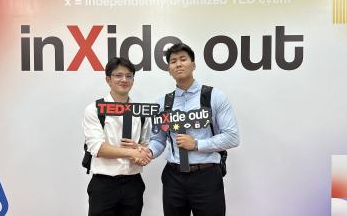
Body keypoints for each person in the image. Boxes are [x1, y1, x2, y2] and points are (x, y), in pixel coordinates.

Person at [148, 43, 240, 216]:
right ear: (169, 69)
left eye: (183, 59)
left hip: (206, 176)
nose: (178, 64)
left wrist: (197, 144)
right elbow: (158, 140)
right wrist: (147, 153)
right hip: (173, 177)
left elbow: (232, 137)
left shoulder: (214, 96)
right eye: (173, 61)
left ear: (194, 64)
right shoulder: (162, 104)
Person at [83, 57, 152, 216]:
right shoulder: (94, 109)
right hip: (103, 184)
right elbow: (98, 148)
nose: (124, 80)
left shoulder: (141, 112)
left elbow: (144, 144)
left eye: (129, 76)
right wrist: (132, 152)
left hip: (133, 184)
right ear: (108, 79)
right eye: (118, 75)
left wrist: (142, 154)